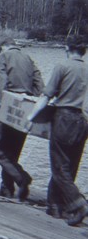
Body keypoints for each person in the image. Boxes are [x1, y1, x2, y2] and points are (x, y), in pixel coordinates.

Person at [27, 39, 88, 226]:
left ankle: (79, 203)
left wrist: (31, 117)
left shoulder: (62, 66)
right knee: (71, 164)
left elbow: (47, 95)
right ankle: (55, 206)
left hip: (64, 118)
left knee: (59, 166)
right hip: (83, 120)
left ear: (66, 48)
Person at [0, 38, 44, 201]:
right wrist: (31, 101)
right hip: (27, 107)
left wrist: (4, 105)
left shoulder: (3, 56)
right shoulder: (28, 57)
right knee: (13, 151)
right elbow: (40, 86)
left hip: (10, 103)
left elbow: (2, 84)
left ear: (3, 47)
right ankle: (6, 189)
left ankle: (22, 178)